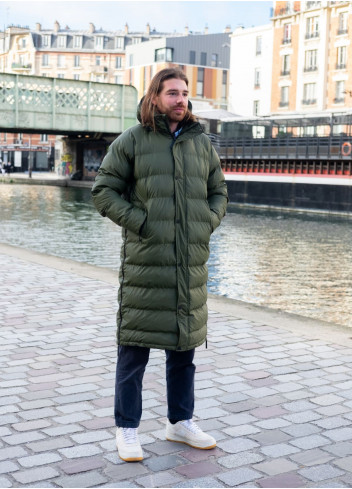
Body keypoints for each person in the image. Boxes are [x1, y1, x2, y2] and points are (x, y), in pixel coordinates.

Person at [91, 68, 228, 462]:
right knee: (133, 353)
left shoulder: (201, 144)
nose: (181, 99)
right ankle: (127, 429)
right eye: (172, 93)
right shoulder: (132, 140)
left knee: (184, 351)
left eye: (185, 93)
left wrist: (207, 221)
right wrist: (142, 222)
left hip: (189, 267)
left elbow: (219, 191)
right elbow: (104, 192)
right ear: (155, 97)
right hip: (146, 267)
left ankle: (179, 422)